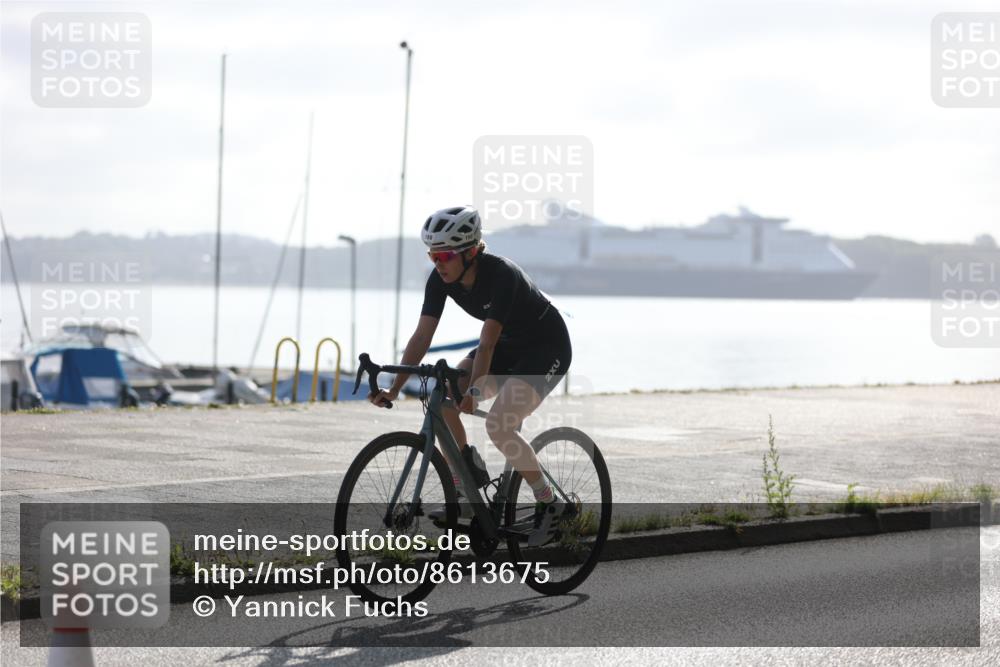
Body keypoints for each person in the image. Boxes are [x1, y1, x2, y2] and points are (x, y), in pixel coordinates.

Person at [368, 205, 573, 546]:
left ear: (471, 251)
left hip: (545, 348)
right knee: (441, 398)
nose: (438, 263)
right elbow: (422, 337)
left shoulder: (502, 275)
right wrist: (393, 388)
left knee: (499, 424)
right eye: (433, 255)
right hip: (507, 347)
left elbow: (486, 342)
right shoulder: (439, 279)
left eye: (445, 255)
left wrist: (474, 393)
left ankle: (549, 503)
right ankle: (466, 483)